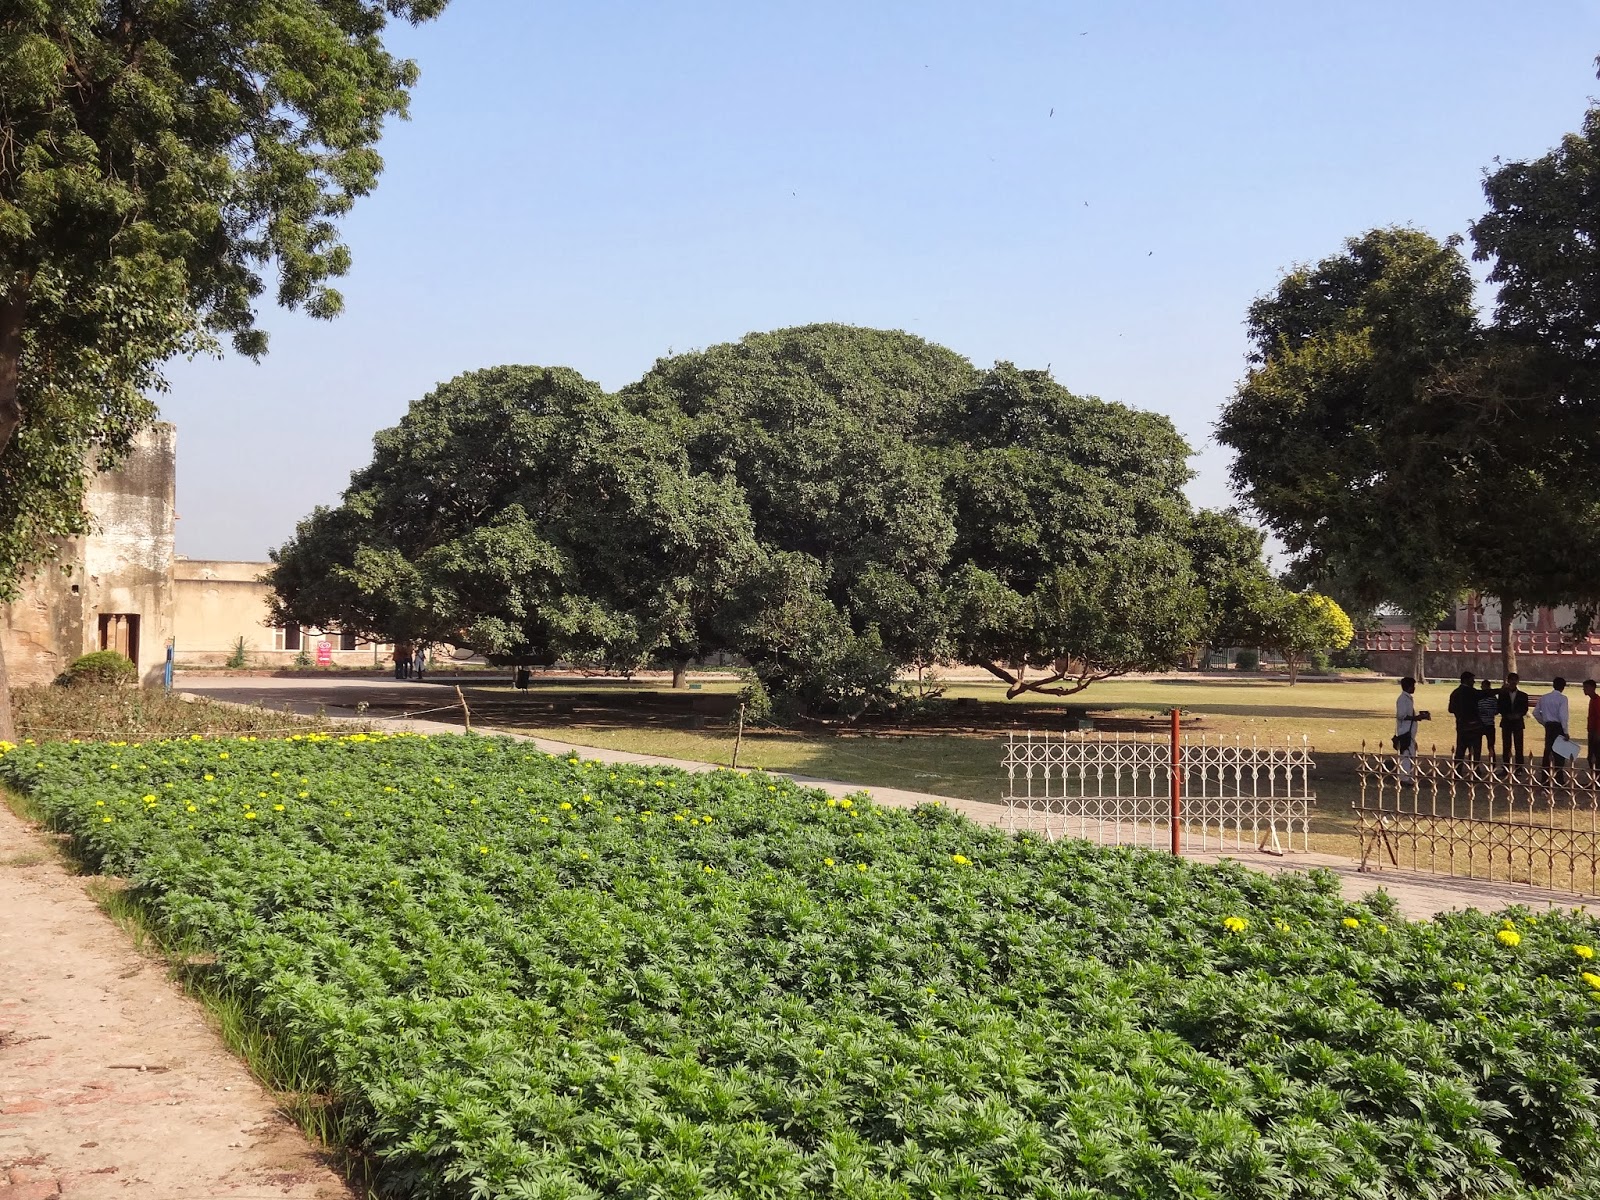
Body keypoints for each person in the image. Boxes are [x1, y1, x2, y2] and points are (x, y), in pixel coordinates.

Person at [1394, 676, 1430, 783]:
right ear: (1409, 687)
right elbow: (1401, 715)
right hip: (1405, 731)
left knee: (1410, 753)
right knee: (1406, 754)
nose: (1414, 688)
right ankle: (1404, 778)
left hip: (1409, 731)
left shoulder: (1408, 698)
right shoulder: (1402, 699)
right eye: (1413, 686)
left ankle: (1409, 776)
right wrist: (1416, 718)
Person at [1533, 676, 1570, 776]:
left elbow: (1535, 712)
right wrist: (1565, 731)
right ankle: (1559, 777)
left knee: (1548, 750)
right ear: (1563, 687)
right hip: (1558, 726)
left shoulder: (1544, 697)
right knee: (1559, 752)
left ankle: (1545, 776)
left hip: (1549, 726)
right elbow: (1563, 716)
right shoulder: (1563, 699)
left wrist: (1544, 722)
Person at [1498, 673, 1530, 766]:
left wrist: (1518, 715)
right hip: (1506, 722)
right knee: (1506, 746)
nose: (1513, 682)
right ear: (1508, 681)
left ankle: (1519, 767)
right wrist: (1506, 715)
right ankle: (1506, 766)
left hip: (1518, 722)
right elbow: (1500, 707)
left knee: (1519, 746)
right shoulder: (1503, 694)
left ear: (1517, 681)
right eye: (1511, 680)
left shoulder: (1523, 695)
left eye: (1514, 680)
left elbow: (1525, 709)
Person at [1447, 671, 1479, 762]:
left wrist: (1459, 713)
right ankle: (1475, 771)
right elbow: (1483, 694)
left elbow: (1450, 709)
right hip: (1473, 726)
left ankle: (1457, 770)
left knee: (1460, 750)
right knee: (1474, 751)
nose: (1473, 682)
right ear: (1466, 680)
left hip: (1461, 725)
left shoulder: (1455, 692)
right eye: (1472, 680)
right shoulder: (1472, 692)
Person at [1475, 678, 1499, 763]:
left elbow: (1496, 710)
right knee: (1477, 746)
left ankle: (1492, 763)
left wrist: (1487, 712)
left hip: (1488, 724)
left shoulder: (1492, 698)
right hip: (1481, 724)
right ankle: (1476, 763)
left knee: (1491, 746)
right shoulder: (1479, 697)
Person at [1586, 679, 1599, 772]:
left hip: (1596, 732)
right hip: (1592, 731)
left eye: (1586, 687)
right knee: (1591, 756)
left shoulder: (1597, 701)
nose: (1584, 689)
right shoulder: (1593, 700)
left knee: (1594, 756)